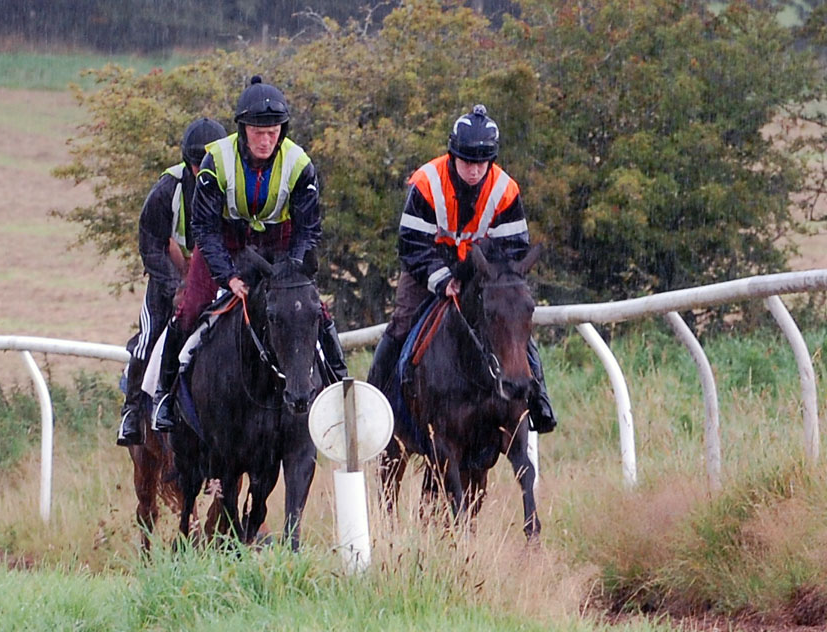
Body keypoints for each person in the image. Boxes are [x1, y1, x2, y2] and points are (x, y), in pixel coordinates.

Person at [151, 75, 348, 431]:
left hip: (280, 242)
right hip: (225, 241)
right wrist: (227, 275)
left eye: (273, 131)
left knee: (310, 306)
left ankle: (339, 384)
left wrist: (292, 269)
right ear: (242, 129)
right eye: (258, 131)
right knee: (190, 308)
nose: (266, 139)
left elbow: (308, 229)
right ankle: (164, 394)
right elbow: (205, 228)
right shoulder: (216, 160)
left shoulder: (301, 164)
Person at [366, 104, 557, 433]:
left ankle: (538, 398)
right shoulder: (426, 182)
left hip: (481, 274)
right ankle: (373, 401)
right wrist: (442, 281)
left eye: (481, 162)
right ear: (453, 155)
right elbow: (411, 244)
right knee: (400, 325)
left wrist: (486, 278)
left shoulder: (506, 190)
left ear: (491, 161)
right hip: (427, 268)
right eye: (467, 160)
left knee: (512, 326)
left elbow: (513, 250)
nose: (474, 169)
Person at [116, 117, 228, 446]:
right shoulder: (168, 190)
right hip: (172, 276)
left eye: (207, 164)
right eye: (196, 165)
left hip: (216, 273)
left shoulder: (234, 185)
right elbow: (151, 244)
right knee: (150, 337)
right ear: (188, 162)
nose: (200, 171)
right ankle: (133, 410)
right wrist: (174, 285)